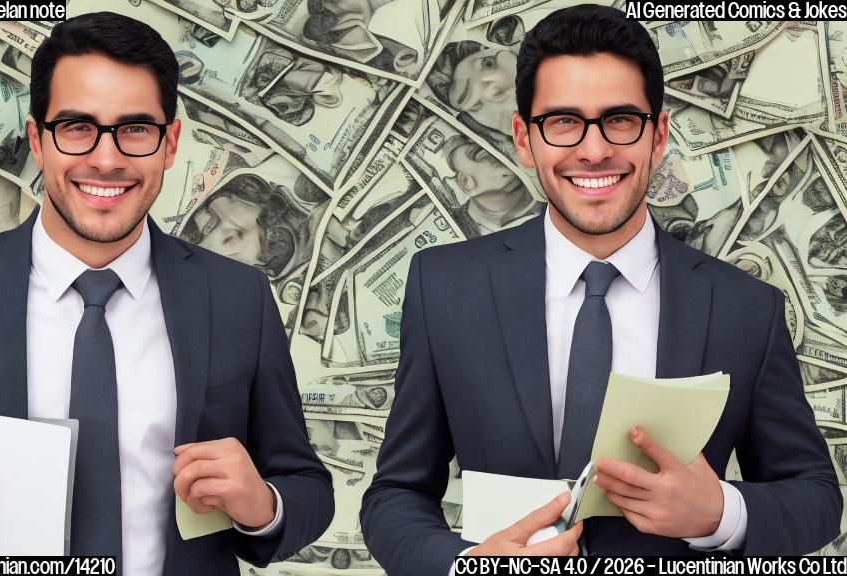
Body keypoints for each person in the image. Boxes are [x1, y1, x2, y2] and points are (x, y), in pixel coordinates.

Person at [0, 12, 334, 576]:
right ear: (37, 141)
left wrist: (264, 506)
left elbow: (306, 485)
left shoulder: (239, 297)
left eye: (135, 129)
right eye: (76, 127)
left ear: (169, 144)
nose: (106, 159)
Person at [360, 5, 841, 574]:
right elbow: (396, 495)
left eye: (620, 120)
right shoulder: (444, 288)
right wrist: (467, 566)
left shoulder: (746, 308)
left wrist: (720, 512)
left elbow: (815, 498)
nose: (594, 151)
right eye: (564, 121)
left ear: (658, 136)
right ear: (523, 139)